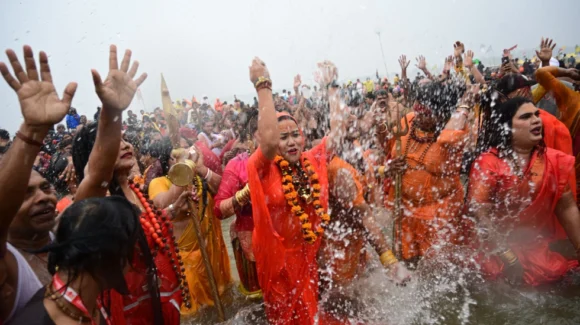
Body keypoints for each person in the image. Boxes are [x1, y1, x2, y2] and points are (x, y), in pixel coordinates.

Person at [72, 45, 183, 324]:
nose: (124, 144)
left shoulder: (135, 191)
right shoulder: (96, 205)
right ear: (92, 157)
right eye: (112, 142)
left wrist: (170, 211)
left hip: (159, 301)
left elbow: (145, 231)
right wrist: (113, 111)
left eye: (123, 137)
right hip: (127, 310)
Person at [246, 58, 346, 324]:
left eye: (295, 135)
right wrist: (262, 85)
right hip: (278, 265)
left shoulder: (310, 161)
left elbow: (338, 133)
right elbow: (267, 141)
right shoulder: (264, 168)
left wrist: (332, 85)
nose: (291, 142)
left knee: (310, 316)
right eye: (283, 137)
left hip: (306, 257)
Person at [0, 45, 77, 323]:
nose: (43, 198)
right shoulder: (8, 267)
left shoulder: (63, 236)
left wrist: (113, 113)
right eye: (25, 194)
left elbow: (94, 183)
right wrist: (32, 131)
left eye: (45, 188)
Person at [468, 97, 580, 286]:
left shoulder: (552, 160)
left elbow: (567, 207)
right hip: (493, 251)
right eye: (526, 117)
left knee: (562, 279)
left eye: (537, 114)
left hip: (535, 248)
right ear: (507, 127)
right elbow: (479, 214)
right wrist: (508, 257)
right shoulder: (489, 162)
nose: (536, 120)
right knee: (495, 285)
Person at [9, 197, 141, 325]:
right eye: (132, 251)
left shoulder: (89, 300)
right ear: (107, 257)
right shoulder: (37, 320)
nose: (132, 263)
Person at [380, 80, 470, 263]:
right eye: (417, 110)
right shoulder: (410, 120)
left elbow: (446, 139)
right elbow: (388, 151)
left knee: (435, 271)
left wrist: (464, 104)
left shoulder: (453, 131)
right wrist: (388, 168)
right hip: (405, 210)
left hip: (439, 214)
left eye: (426, 114)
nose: (419, 117)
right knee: (406, 265)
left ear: (443, 114)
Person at [148, 145, 232, 316]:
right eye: (177, 155)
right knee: (194, 315)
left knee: (225, 300)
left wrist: (201, 169)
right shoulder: (159, 183)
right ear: (168, 161)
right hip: (187, 264)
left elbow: (224, 190)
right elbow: (161, 205)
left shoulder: (199, 180)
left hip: (212, 257)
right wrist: (185, 169)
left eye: (188, 151)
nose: (186, 156)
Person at [214, 108, 261, 297]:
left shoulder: (286, 159)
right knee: (260, 304)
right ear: (251, 138)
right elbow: (219, 209)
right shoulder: (238, 165)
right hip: (251, 242)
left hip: (284, 238)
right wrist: (245, 194)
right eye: (264, 132)